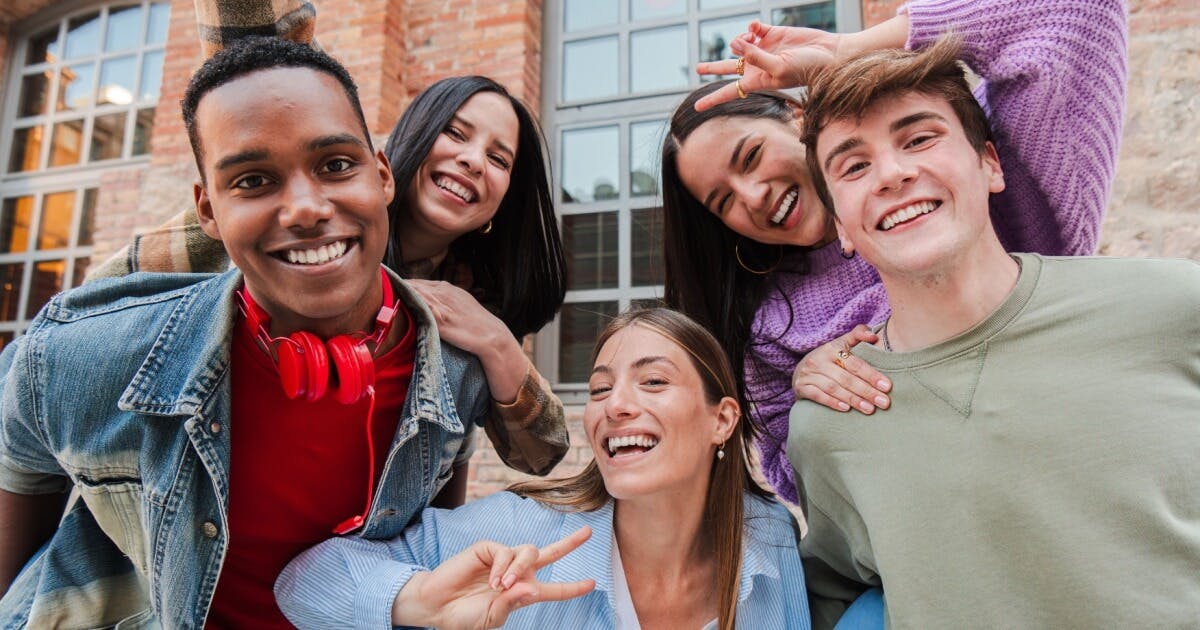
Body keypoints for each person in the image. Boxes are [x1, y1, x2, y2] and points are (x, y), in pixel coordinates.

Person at [0, 37, 492, 628]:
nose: (306, 208)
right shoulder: (78, 356)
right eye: (254, 180)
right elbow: (18, 473)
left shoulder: (456, 374)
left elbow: (418, 560)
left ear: (382, 175)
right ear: (208, 211)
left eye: (336, 165)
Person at [790, 35, 1200, 628]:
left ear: (989, 164)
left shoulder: (1172, 307)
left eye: (920, 138)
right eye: (854, 166)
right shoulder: (827, 425)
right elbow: (829, 599)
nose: (893, 174)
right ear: (842, 228)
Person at [659, 0, 1127, 504]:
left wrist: (847, 48)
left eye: (751, 156)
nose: (753, 197)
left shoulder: (976, 174)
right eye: (723, 201)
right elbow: (807, 485)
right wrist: (810, 396)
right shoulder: (769, 323)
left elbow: (1077, 10)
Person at [88, 0, 570, 485]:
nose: (472, 161)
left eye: (498, 159)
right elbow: (93, 306)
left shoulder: (471, 296)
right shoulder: (275, 217)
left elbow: (540, 454)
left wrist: (495, 340)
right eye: (455, 133)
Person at [275, 308, 859, 630]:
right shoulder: (521, 531)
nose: (615, 404)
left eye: (653, 381)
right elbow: (305, 580)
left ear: (722, 420)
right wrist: (417, 598)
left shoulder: (767, 537)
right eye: (601, 388)